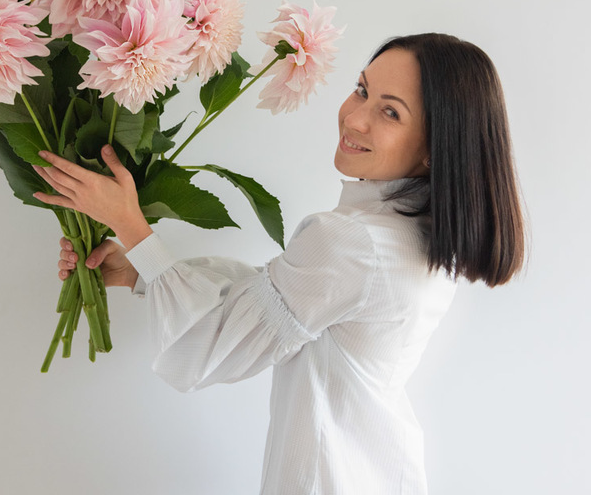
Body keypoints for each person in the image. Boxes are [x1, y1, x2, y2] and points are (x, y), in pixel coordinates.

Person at [32, 32, 526, 494]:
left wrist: (131, 225)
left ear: (435, 149)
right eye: (361, 90)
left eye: (390, 112)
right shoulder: (419, 236)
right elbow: (279, 296)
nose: (355, 119)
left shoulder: (352, 241)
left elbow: (211, 351)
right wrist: (143, 269)